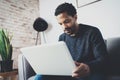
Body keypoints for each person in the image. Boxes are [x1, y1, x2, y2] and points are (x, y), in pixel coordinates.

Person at [34, 2, 108, 80]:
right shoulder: (62, 38)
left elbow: (103, 59)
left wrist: (88, 66)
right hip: (70, 73)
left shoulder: (92, 32)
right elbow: (61, 60)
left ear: (75, 17)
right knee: (40, 77)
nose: (64, 27)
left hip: (90, 72)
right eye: (60, 24)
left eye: (66, 22)